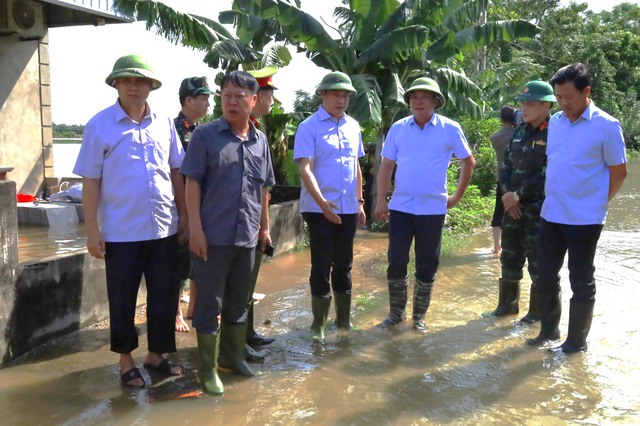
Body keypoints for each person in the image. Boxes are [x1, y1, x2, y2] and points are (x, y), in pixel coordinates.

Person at [73, 54, 186, 388]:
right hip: (121, 231)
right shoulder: (100, 125)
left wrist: (186, 218)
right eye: (126, 80)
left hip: (163, 226)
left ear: (151, 86)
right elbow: (91, 181)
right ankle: (126, 361)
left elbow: (176, 170)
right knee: (122, 298)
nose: (133, 86)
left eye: (140, 81)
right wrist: (92, 230)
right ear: (116, 85)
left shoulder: (165, 122)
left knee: (164, 294)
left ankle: (157, 354)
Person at [181, 70, 275, 395]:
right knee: (209, 304)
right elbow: (191, 183)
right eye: (226, 96)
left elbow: (263, 189)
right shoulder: (205, 136)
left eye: (239, 96)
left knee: (239, 303)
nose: (232, 101)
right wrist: (195, 229)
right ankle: (206, 370)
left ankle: (233, 359)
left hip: (247, 238)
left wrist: (264, 228)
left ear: (253, 100)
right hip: (212, 238)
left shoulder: (259, 140)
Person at [526, 63, 627, 353]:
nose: (563, 103)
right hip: (552, 212)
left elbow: (618, 172)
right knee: (544, 273)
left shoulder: (606, 126)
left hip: (585, 218)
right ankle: (548, 331)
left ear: (586, 92)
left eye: (568, 96)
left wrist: (597, 203)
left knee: (581, 278)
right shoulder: (556, 122)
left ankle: (575, 342)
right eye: (558, 97)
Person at [375, 77, 475, 331]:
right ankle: (396, 314)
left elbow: (468, 161)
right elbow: (386, 166)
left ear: (435, 101)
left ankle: (418, 316)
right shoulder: (398, 128)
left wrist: (457, 196)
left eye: (424, 96)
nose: (417, 101)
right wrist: (380, 201)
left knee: (427, 262)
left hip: (432, 209)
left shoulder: (449, 128)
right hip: (401, 207)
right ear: (408, 102)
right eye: (413, 96)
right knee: (396, 259)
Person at [293, 71, 366, 342]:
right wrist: (322, 203)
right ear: (322, 95)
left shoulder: (353, 126)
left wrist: (359, 203)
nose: (341, 99)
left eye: (345, 95)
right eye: (336, 94)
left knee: (345, 264)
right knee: (321, 264)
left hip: (347, 207)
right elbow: (305, 169)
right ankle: (318, 324)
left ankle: (344, 321)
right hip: (318, 208)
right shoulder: (308, 127)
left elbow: (356, 166)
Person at [485, 81, 556, 323]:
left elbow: (549, 171)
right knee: (510, 256)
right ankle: (507, 306)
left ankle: (535, 314)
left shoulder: (556, 132)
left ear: (546, 104)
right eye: (523, 103)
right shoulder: (519, 131)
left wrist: (519, 195)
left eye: (531, 103)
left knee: (538, 262)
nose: (524, 107)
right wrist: (507, 195)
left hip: (539, 210)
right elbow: (505, 168)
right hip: (511, 207)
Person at [239, 65, 279, 357]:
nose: (273, 102)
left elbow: (264, 187)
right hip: (236, 223)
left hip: (253, 220)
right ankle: (236, 342)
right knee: (237, 287)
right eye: (270, 95)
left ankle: (247, 333)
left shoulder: (258, 134)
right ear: (258, 96)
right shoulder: (234, 131)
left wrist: (264, 225)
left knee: (249, 282)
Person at [174, 76, 215, 333]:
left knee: (200, 257)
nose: (208, 103)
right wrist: (184, 213)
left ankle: (195, 307)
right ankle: (176, 312)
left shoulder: (202, 131)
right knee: (179, 261)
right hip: (180, 204)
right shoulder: (174, 129)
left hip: (202, 204)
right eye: (203, 98)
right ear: (188, 100)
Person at [489, 106, 516, 255]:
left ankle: (495, 247)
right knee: (515, 212)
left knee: (498, 211)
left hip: (501, 178)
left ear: (500, 118)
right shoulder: (519, 133)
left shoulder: (495, 137)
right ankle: (511, 246)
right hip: (517, 178)